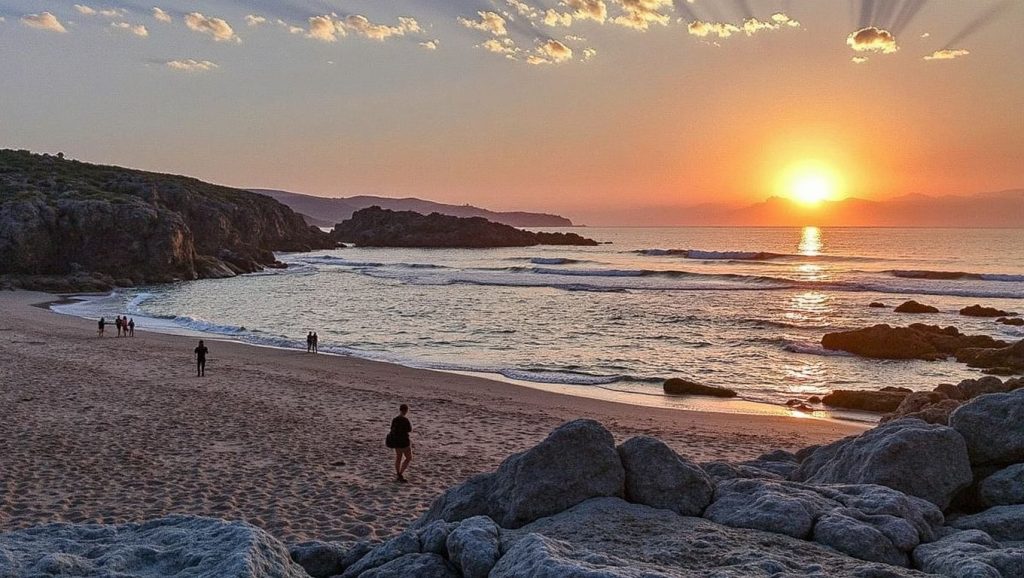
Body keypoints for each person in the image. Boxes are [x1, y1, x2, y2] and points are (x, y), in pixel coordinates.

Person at [387, 404, 413, 483]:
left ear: (400, 410)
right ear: (406, 410)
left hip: (396, 441)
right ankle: (400, 473)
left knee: (398, 458)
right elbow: (409, 430)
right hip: (404, 441)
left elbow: (392, 429)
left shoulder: (395, 419)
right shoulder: (405, 420)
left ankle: (398, 473)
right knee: (409, 458)